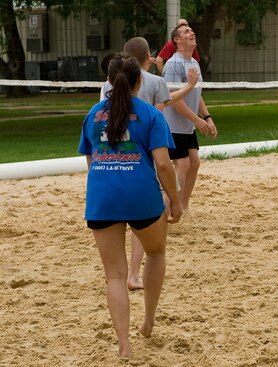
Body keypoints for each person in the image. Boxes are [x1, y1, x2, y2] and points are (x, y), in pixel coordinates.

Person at [79, 54, 181, 358]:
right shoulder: (150, 115)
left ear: (109, 81)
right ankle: (148, 321)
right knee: (156, 252)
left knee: (115, 275)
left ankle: (124, 344)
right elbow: (163, 164)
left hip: (102, 194)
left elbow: (90, 160)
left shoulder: (93, 114)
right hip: (141, 194)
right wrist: (175, 200)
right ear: (140, 81)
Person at [100, 37, 198, 292]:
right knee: (145, 226)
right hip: (146, 159)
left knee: (120, 237)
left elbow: (102, 118)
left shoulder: (108, 84)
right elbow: (159, 115)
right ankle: (134, 274)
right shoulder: (154, 82)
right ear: (148, 58)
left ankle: (127, 276)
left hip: (114, 161)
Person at [163, 24, 217, 210]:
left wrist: (207, 117)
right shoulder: (173, 64)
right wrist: (196, 119)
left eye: (192, 30)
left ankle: (183, 205)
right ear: (176, 40)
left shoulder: (194, 63)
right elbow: (172, 98)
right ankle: (171, 207)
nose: (192, 32)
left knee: (194, 162)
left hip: (187, 125)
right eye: (186, 32)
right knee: (183, 163)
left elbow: (197, 93)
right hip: (172, 125)